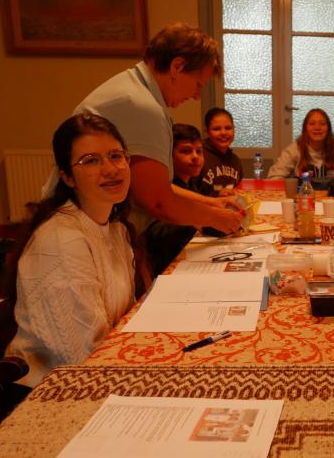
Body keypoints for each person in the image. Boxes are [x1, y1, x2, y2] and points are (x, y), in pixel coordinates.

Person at [8, 114, 143, 387]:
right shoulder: (62, 242)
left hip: (105, 369)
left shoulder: (116, 229)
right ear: (67, 177)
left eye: (116, 155)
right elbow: (84, 357)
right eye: (91, 160)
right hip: (57, 390)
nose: (110, 169)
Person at [74, 22, 244, 237]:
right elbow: (158, 202)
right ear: (177, 67)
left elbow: (158, 186)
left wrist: (212, 203)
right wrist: (214, 217)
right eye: (198, 84)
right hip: (82, 230)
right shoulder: (143, 106)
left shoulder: (134, 88)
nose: (196, 95)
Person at [144, 124, 206, 276]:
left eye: (199, 151)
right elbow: (155, 234)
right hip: (169, 266)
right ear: (169, 155)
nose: (195, 157)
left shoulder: (190, 183)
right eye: (185, 151)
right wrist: (195, 220)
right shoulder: (167, 187)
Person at [267, 108, 334, 180]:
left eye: (322, 123)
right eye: (312, 124)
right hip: (303, 199)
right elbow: (274, 177)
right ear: (305, 129)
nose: (317, 127)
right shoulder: (294, 149)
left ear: (328, 129)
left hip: (332, 201)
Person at [198, 107, 242, 196]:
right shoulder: (198, 155)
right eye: (216, 129)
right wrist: (216, 195)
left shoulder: (235, 161)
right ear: (207, 132)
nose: (223, 133)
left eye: (228, 128)